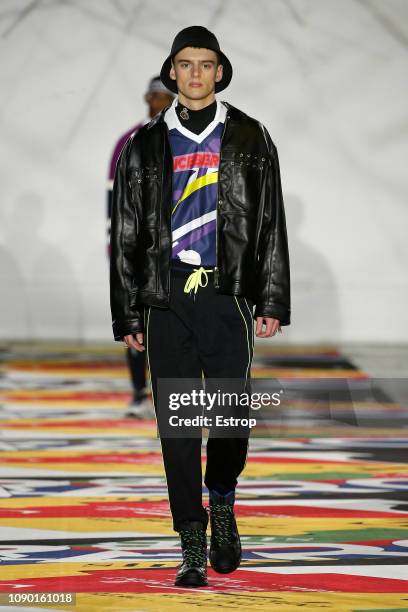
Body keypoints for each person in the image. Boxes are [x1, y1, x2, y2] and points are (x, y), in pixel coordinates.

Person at [109, 26, 291, 587]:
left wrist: (272, 297)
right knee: (180, 426)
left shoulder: (249, 137)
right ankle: (191, 535)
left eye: (204, 64)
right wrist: (130, 313)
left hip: (228, 294)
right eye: (184, 64)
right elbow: (128, 235)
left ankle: (224, 499)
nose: (193, 74)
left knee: (230, 416)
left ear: (219, 71)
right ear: (172, 71)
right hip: (167, 299)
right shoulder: (144, 143)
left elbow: (269, 222)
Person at [107, 76, 174, 418]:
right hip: (136, 254)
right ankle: (138, 393)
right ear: (146, 98)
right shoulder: (129, 142)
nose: (159, 103)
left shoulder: (181, 141)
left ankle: (171, 398)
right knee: (135, 325)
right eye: (155, 97)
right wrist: (117, 248)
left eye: (165, 97)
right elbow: (114, 202)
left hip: (175, 256)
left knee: (173, 330)